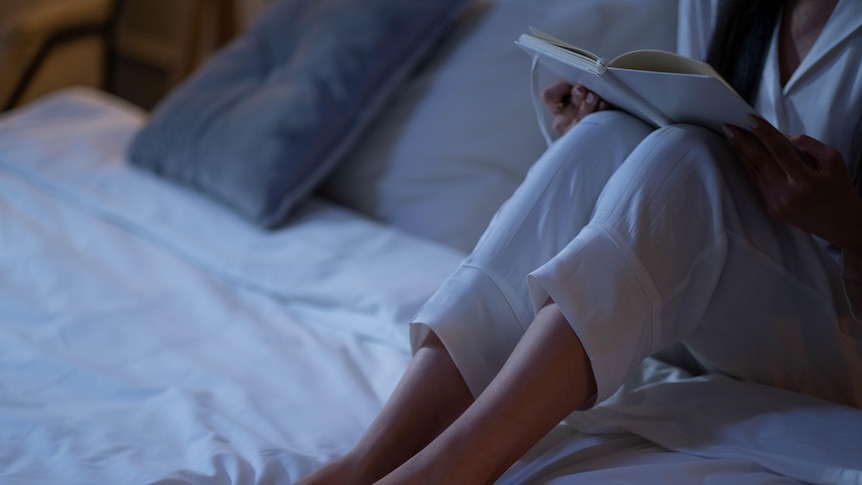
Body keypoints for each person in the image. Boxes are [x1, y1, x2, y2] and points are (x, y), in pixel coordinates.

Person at [298, 0, 862, 483]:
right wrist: (618, 125)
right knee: (609, 134)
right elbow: (703, 125)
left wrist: (847, 222)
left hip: (841, 342)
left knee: (685, 157)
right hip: (717, 311)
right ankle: (369, 461)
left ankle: (446, 470)